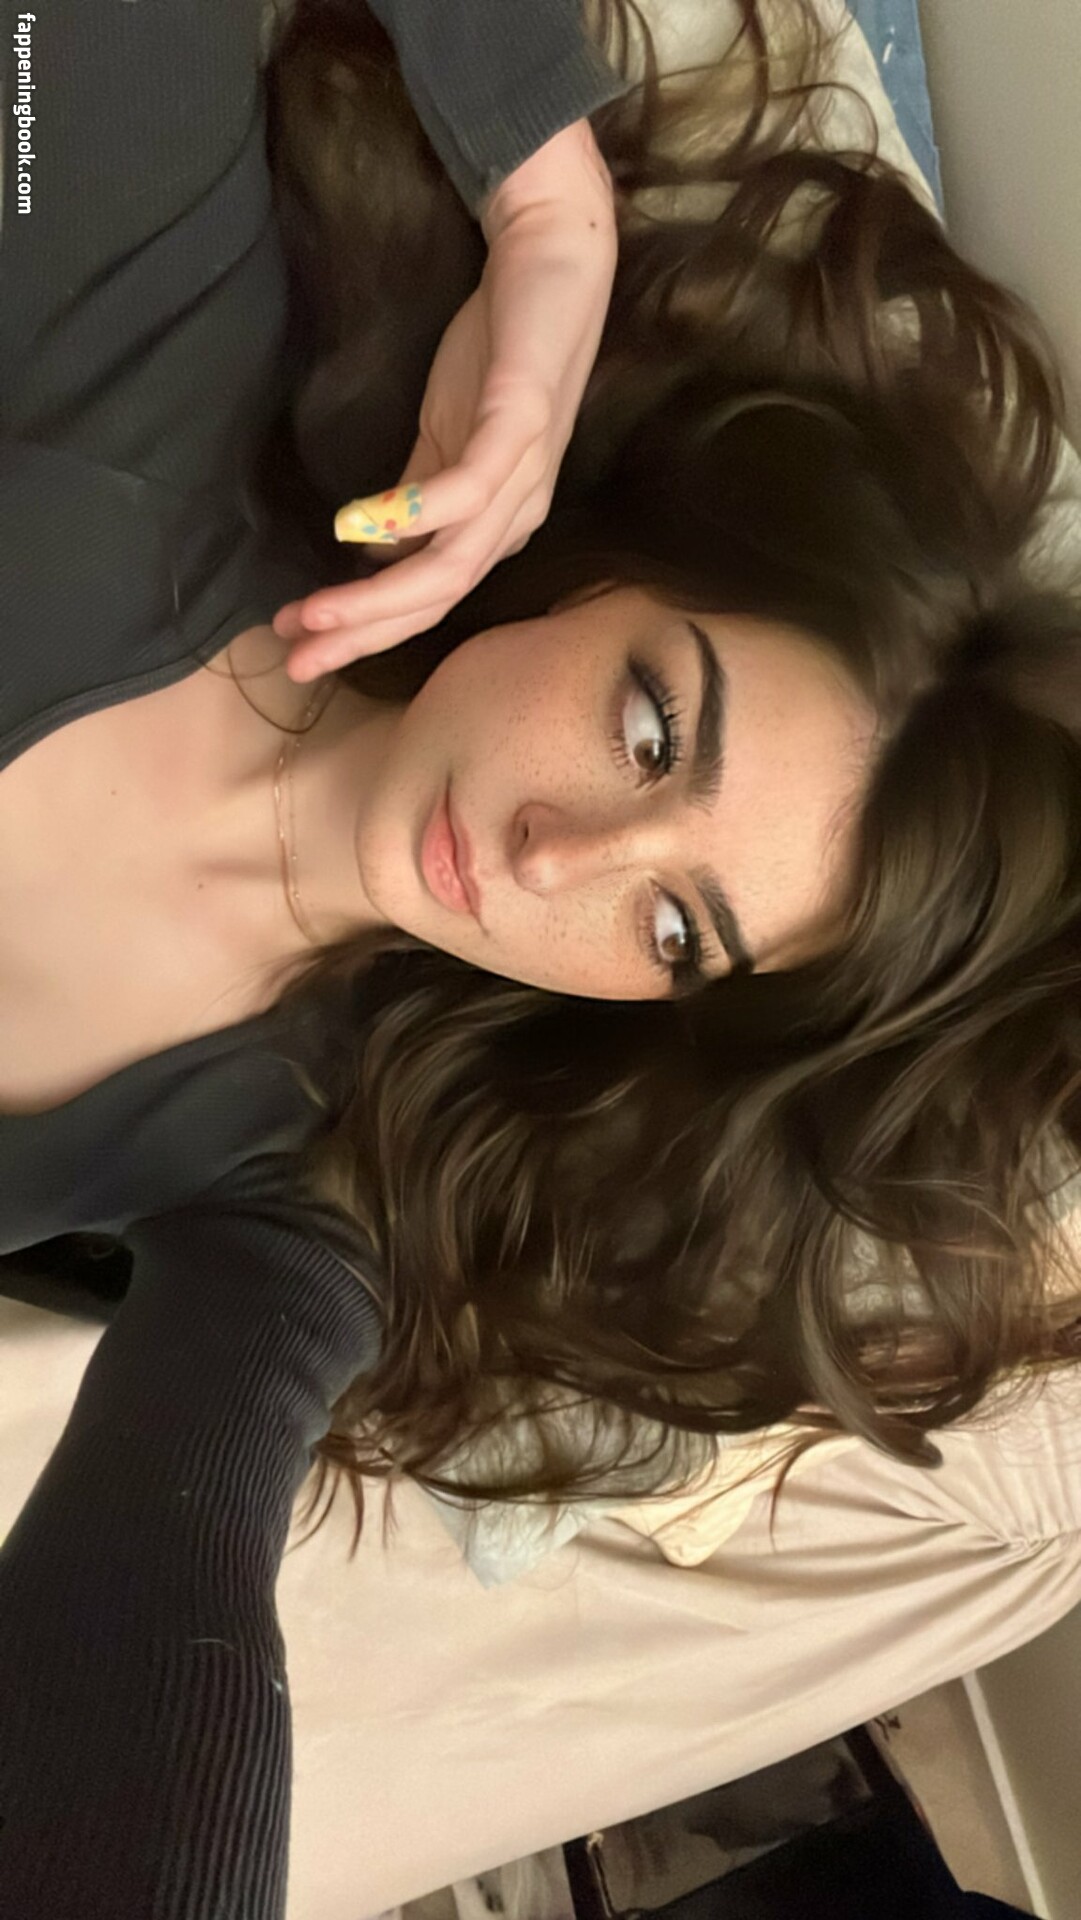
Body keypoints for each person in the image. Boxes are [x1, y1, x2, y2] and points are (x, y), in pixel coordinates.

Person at [2, 0, 1080, 1913]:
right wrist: (549, 208)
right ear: (610, 572)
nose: (553, 857)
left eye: (674, 930)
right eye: (652, 730)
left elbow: (164, 1569)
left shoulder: (306, 1188)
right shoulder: (158, 355)